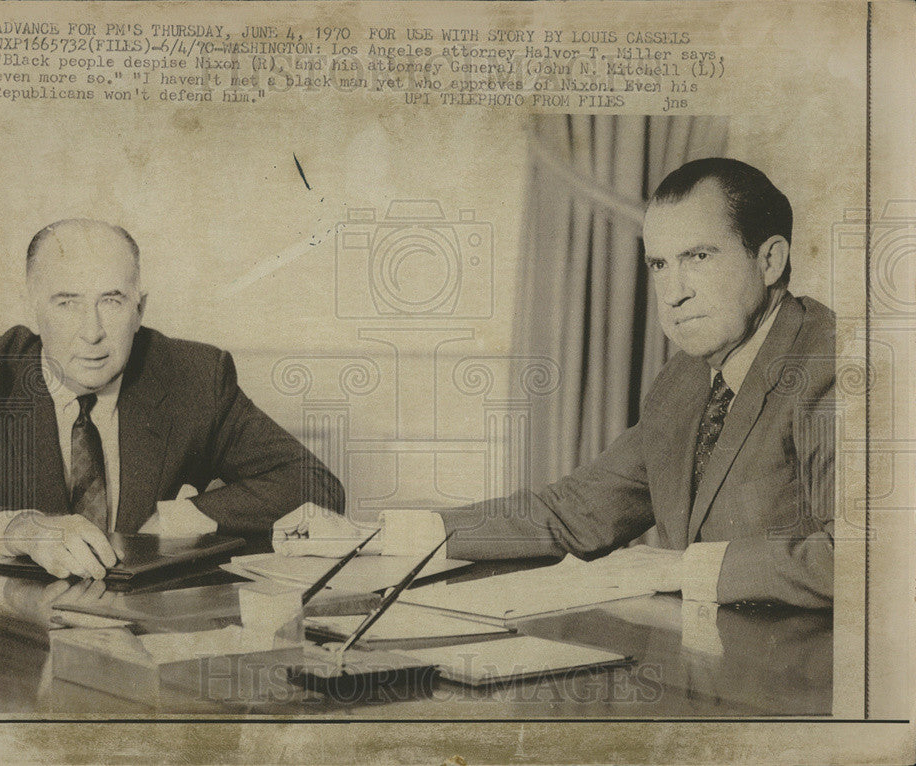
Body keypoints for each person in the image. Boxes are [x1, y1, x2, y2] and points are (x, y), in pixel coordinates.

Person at [272, 158, 836, 608]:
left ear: (770, 260)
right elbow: (571, 512)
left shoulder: (836, 363)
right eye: (659, 265)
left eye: (698, 257)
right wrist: (370, 536)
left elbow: (871, 560)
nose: (673, 292)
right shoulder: (686, 378)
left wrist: (680, 568)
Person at [0, 219, 345, 579]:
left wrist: (187, 516)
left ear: (140, 309)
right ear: (31, 307)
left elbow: (314, 484)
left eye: (111, 301)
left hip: (143, 627)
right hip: (20, 631)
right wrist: (22, 530)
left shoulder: (193, 377)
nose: (92, 332)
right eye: (67, 302)